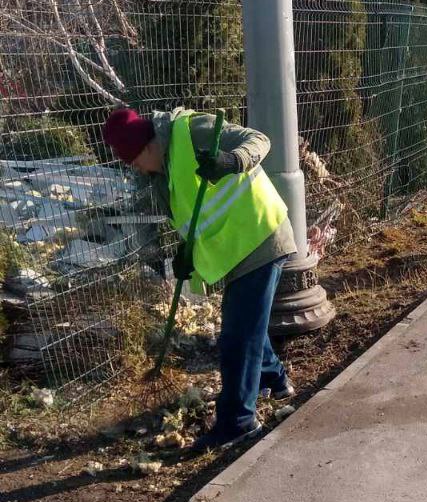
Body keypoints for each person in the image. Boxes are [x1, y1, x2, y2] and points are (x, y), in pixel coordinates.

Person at [103, 106, 297, 452]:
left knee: (237, 337)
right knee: (246, 325)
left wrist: (230, 161)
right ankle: (275, 380)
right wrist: (185, 254)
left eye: (132, 161)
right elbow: (194, 218)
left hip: (261, 235)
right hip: (236, 249)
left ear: (147, 146)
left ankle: (238, 423)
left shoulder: (192, 131)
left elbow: (260, 140)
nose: (133, 168)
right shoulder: (161, 175)